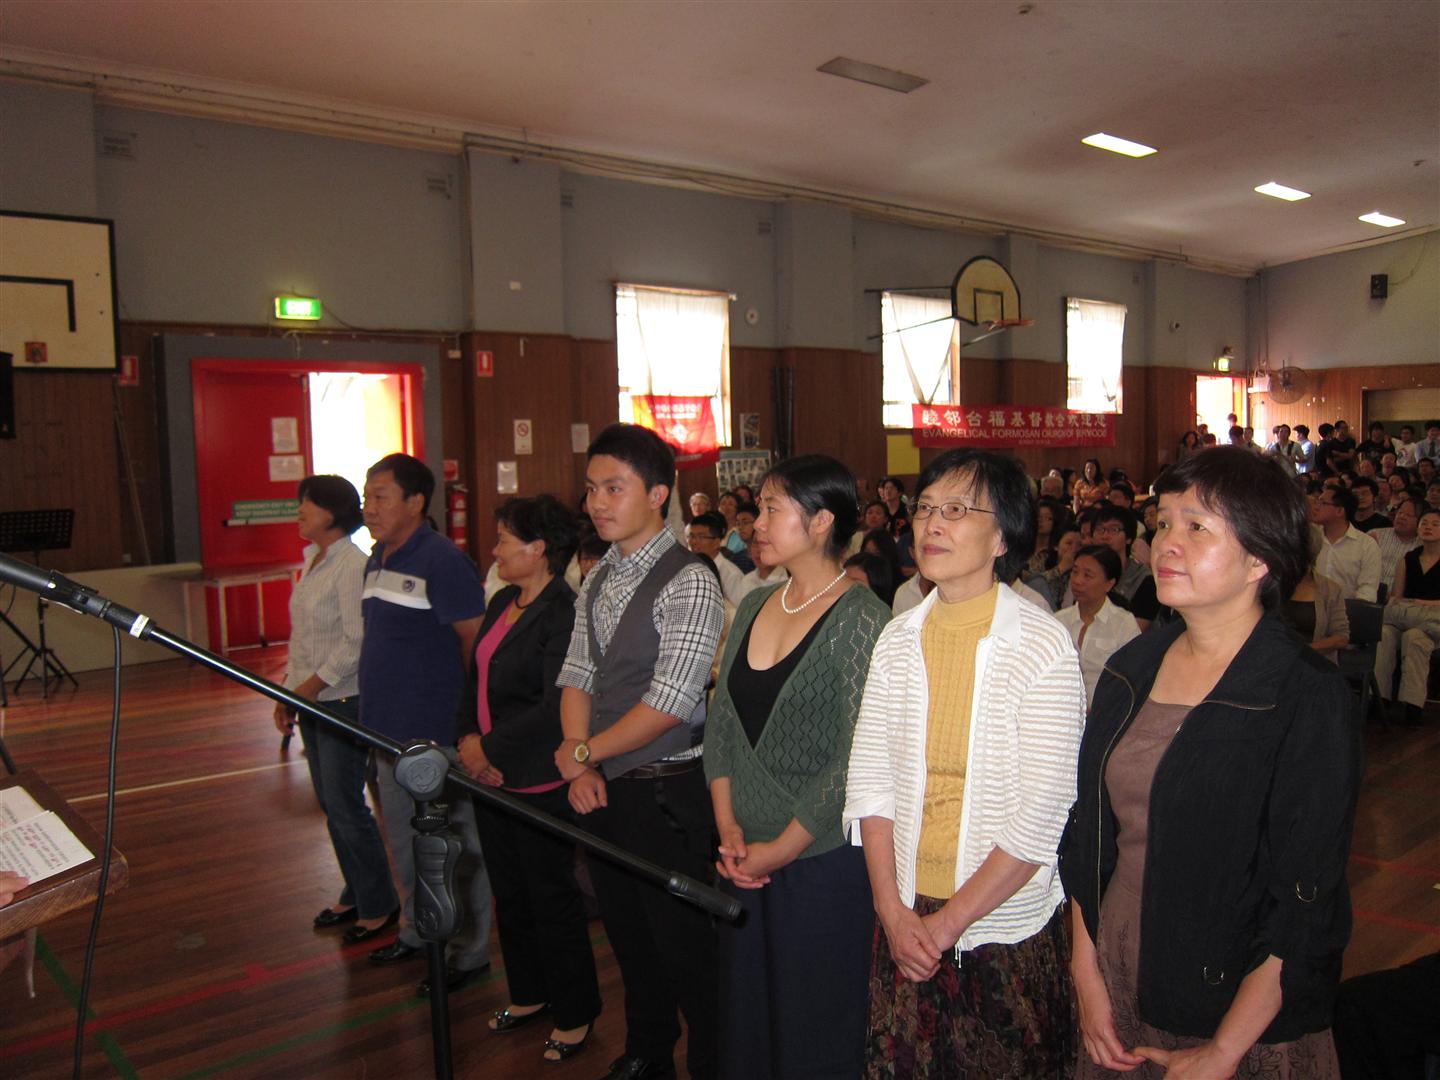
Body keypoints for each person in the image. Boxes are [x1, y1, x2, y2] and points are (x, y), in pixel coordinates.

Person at [1061, 446, 1360, 1080]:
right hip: (1120, 969)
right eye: (1164, 522)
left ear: (1260, 558)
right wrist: (1085, 974)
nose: (1166, 543)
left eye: (1197, 526)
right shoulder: (1131, 670)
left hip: (1238, 1004)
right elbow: (1089, 837)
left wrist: (1224, 1050)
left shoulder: (1303, 694)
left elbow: (1305, 898)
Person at [845, 448, 1085, 1078]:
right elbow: (870, 784)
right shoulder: (898, 638)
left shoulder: (1042, 644)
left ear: (1003, 536)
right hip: (905, 912)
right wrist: (893, 912)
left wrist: (946, 923)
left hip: (999, 925)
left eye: (956, 510)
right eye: (925, 508)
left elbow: (1042, 814)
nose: (932, 524)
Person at [705, 454, 890, 1079]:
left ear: (820, 522)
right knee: (748, 1020)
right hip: (742, 857)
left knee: (815, 1023)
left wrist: (779, 849)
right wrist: (729, 832)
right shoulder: (756, 603)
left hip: (819, 859)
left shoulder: (862, 618)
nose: (756, 523)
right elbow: (722, 725)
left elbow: (856, 756)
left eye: (771, 509)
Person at [553, 423, 724, 1080]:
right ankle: (648, 1053)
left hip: (665, 792)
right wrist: (580, 758)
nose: (597, 502)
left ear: (657, 494)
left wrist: (586, 751)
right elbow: (578, 672)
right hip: (607, 787)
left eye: (614, 488)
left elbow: (671, 701)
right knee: (627, 935)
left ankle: (712, 1064)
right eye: (591, 488)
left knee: (686, 947)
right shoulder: (598, 576)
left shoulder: (691, 578)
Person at [456, 496, 600, 1063]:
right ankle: (529, 993)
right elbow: (473, 680)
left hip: (536, 775)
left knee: (550, 896)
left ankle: (575, 1012)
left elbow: (552, 705)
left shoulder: (563, 611)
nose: (494, 550)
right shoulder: (501, 601)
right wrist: (468, 741)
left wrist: (486, 748)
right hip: (490, 773)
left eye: (503, 540)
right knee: (510, 893)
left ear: (538, 549)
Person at [358, 453, 493, 992]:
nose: (369, 508)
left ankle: (467, 952)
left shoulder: (442, 561)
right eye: (366, 497)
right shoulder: (376, 559)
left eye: (380, 497)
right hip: (385, 733)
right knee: (403, 840)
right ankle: (419, 932)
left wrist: (467, 723)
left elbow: (474, 644)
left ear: (415, 502)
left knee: (454, 847)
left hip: (435, 736)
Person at [275, 475, 399, 943]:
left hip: (342, 700)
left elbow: (355, 641)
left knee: (346, 803)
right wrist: (288, 692)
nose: (299, 511)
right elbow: (303, 639)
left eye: (306, 503)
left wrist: (309, 687)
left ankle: (379, 903)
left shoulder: (351, 565)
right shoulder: (313, 559)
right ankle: (356, 890)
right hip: (311, 699)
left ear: (331, 512)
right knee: (331, 802)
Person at [1374, 505, 1440, 725]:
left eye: (1435, 524)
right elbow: (1397, 597)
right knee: (1385, 633)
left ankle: (1412, 705)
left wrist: (1421, 603)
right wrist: (1411, 607)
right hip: (1405, 616)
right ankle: (1379, 698)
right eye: (1424, 523)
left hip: (1431, 620)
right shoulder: (1407, 559)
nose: (1428, 527)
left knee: (1415, 637)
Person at [1056, 544, 1141, 706]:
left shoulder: (1123, 623)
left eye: (1087, 575)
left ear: (1109, 584)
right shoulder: (1059, 621)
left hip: (1106, 711)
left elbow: (1132, 679)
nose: (1077, 581)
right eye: (1075, 572)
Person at [1311, 485, 1382, 600]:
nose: (1316, 507)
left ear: (1339, 511)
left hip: (1348, 608)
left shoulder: (1366, 545)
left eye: (1322, 503)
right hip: (1309, 606)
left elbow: (1367, 591)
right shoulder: (1310, 537)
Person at [686, 510, 747, 606]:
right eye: (691, 536)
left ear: (716, 542)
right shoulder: (688, 569)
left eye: (701, 537)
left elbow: (741, 610)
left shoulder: (730, 575)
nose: (694, 542)